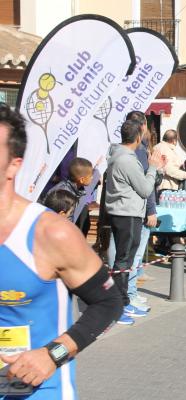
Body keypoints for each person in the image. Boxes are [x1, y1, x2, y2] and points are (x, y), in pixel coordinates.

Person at [0, 103, 122, 397]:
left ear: (14, 164)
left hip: (37, 392)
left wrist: (52, 355)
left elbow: (109, 303)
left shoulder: (49, 233)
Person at [105, 120, 165, 324]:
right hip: (126, 213)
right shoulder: (127, 160)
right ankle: (118, 305)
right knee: (123, 262)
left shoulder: (121, 156)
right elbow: (145, 189)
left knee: (126, 262)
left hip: (126, 211)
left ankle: (123, 301)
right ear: (138, 137)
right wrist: (153, 167)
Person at [43, 157, 94, 234]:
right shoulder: (63, 193)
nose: (92, 177)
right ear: (82, 180)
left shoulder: (77, 189)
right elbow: (63, 220)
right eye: (90, 175)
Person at [154, 129, 186, 195]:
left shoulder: (158, 147)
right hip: (166, 187)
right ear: (174, 141)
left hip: (160, 186)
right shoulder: (166, 149)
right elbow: (169, 170)